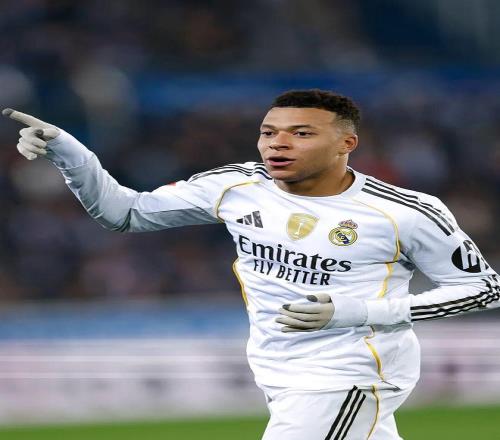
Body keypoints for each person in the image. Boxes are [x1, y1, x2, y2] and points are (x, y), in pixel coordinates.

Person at [3, 89, 499, 440]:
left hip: (349, 373)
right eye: (268, 132)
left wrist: (359, 312)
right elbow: (126, 213)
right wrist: (69, 152)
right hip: (276, 368)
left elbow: (484, 289)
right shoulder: (237, 186)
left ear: (346, 144)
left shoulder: (404, 212)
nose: (277, 143)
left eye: (301, 133)